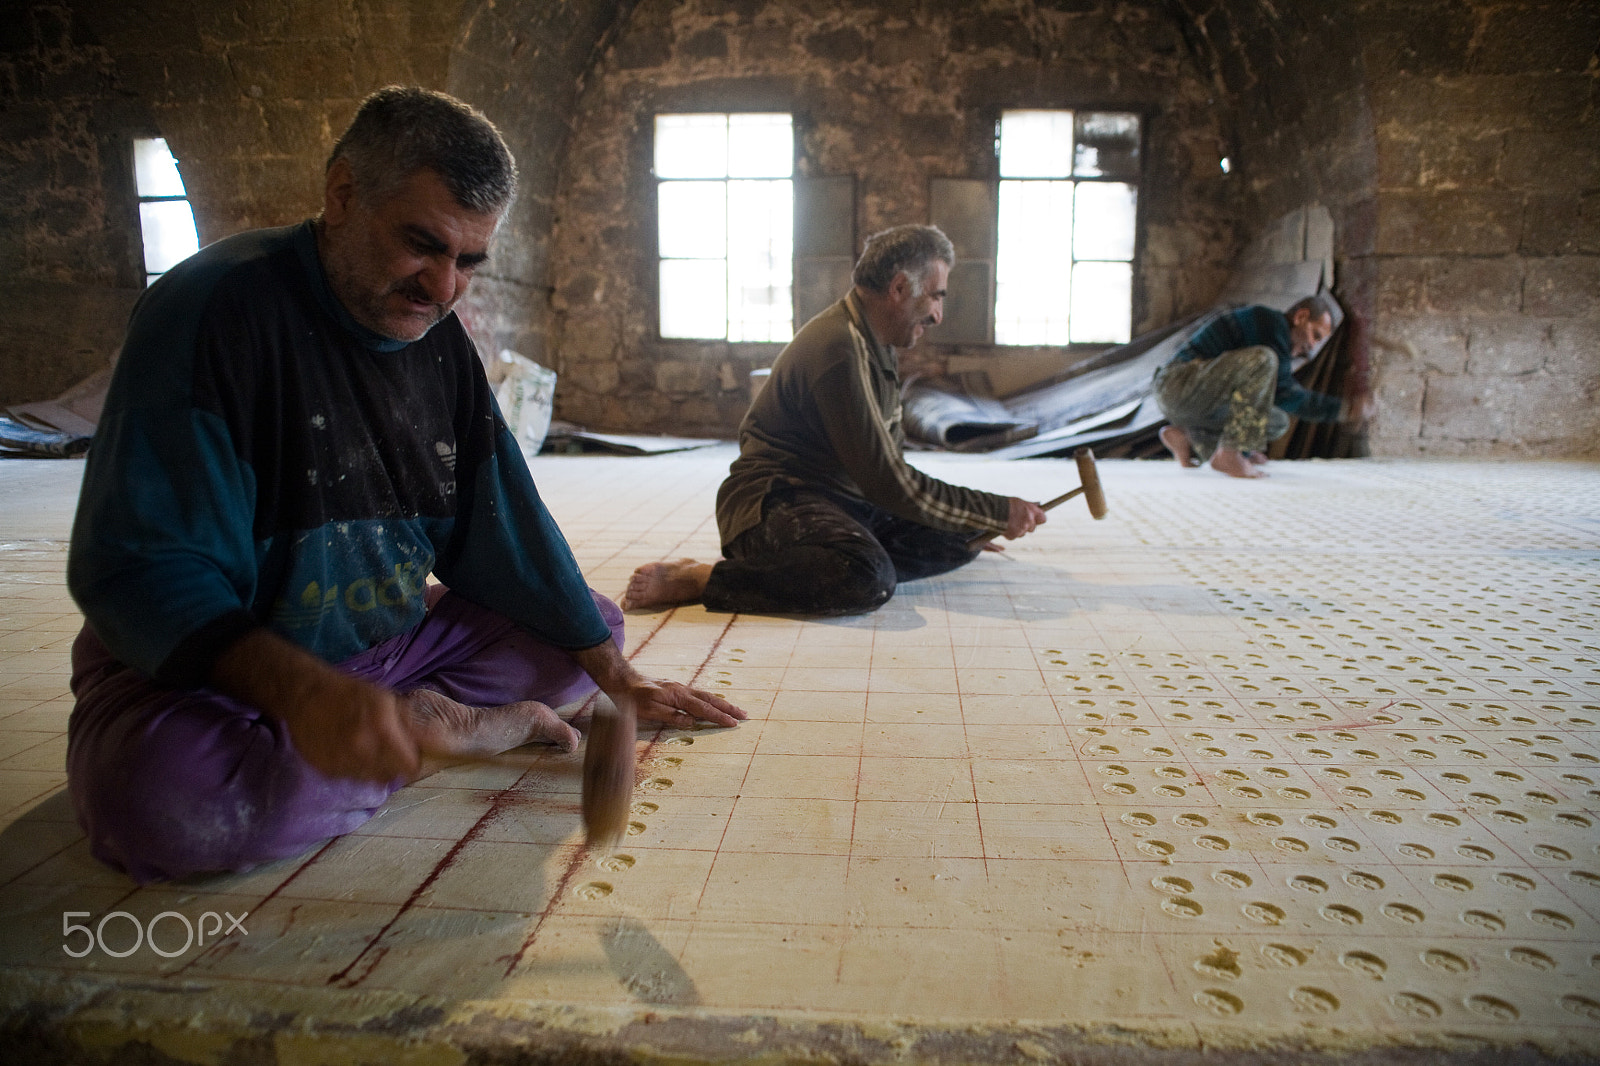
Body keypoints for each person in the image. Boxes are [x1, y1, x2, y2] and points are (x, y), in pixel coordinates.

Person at [65, 87, 743, 884]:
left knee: (584, 631)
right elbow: (138, 569)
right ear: (343, 194)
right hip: (221, 673)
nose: (445, 287)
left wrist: (614, 675)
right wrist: (308, 698)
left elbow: (501, 522)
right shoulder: (211, 311)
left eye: (468, 262)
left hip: (378, 647)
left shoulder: (435, 339)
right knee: (166, 806)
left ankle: (393, 728)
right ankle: (429, 733)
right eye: (422, 245)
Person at [622, 225, 1048, 617]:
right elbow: (889, 483)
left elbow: (890, 474)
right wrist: (995, 508)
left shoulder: (874, 342)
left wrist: (973, 520)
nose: (937, 314)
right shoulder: (841, 349)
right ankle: (703, 578)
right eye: (936, 296)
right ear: (900, 288)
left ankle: (818, 556)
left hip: (841, 499)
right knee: (867, 576)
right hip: (772, 505)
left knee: (962, 537)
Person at [1153, 294, 1375, 478]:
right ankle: (1229, 453)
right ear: (1301, 316)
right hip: (1175, 384)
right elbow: (1285, 393)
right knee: (1264, 359)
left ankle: (1187, 437)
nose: (1312, 346)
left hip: (1200, 401)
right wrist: (1345, 409)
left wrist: (1248, 451)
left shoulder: (1275, 334)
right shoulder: (1270, 323)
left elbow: (1256, 402)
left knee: (1277, 422)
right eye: (1315, 335)